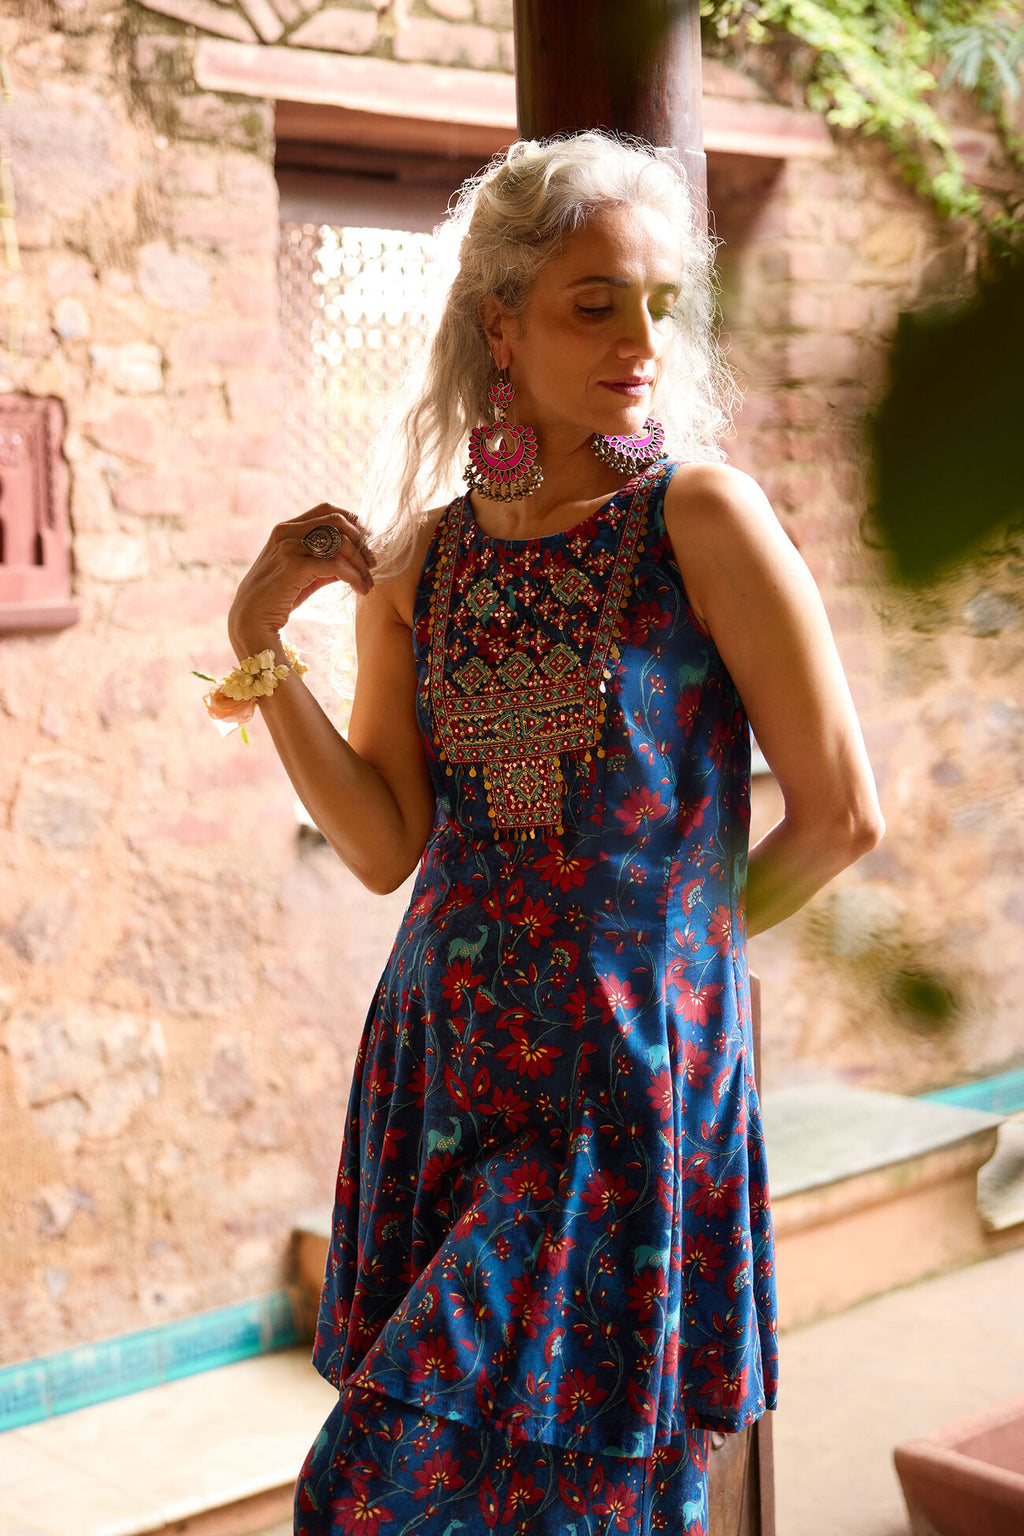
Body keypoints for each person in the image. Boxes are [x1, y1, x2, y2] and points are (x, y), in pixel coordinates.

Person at [216, 131, 884, 1536]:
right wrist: (258, 644)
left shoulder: (703, 518)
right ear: (497, 324)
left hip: (616, 1090)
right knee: (460, 1494)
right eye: (595, 302)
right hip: (442, 1067)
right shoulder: (424, 561)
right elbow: (387, 839)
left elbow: (838, 817)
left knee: (424, 1492)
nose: (640, 338)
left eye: (658, 303)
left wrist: (660, 961)